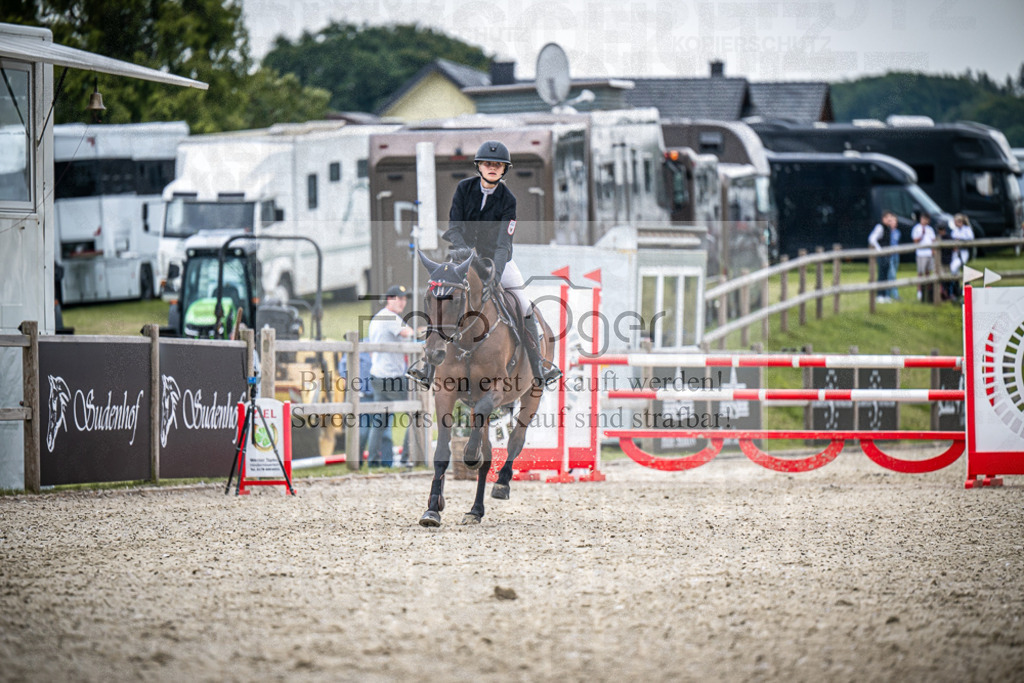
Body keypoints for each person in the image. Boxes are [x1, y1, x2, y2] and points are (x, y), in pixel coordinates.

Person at [407, 140, 561, 389]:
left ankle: (539, 366)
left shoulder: (508, 200)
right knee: (441, 297)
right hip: (462, 260)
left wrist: (494, 276)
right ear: (479, 166)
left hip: (497, 261)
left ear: (504, 170)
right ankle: (427, 367)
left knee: (523, 305)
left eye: (497, 165)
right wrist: (463, 251)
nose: (492, 168)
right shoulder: (464, 189)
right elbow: (454, 228)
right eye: (487, 164)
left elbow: (503, 244)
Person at [366, 284, 414, 468]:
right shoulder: (390, 317)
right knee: (417, 413)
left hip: (378, 374)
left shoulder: (377, 318)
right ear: (389, 299)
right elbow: (408, 333)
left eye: (404, 299)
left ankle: (373, 460)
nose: (403, 302)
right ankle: (407, 457)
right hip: (392, 377)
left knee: (379, 421)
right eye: (399, 298)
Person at [868, 210, 900, 303]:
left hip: (887, 255)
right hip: (882, 255)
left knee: (886, 274)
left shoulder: (888, 228)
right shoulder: (880, 227)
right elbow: (872, 239)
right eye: (888, 219)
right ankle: (880, 295)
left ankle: (885, 295)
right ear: (884, 219)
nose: (890, 220)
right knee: (881, 275)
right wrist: (879, 250)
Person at [911, 211, 937, 302]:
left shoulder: (930, 229)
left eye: (926, 219)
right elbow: (915, 241)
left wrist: (933, 251)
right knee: (920, 273)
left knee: (928, 272)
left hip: (929, 254)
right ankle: (919, 292)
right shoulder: (916, 228)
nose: (925, 221)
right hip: (921, 254)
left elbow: (933, 240)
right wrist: (922, 234)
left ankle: (928, 291)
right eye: (923, 219)